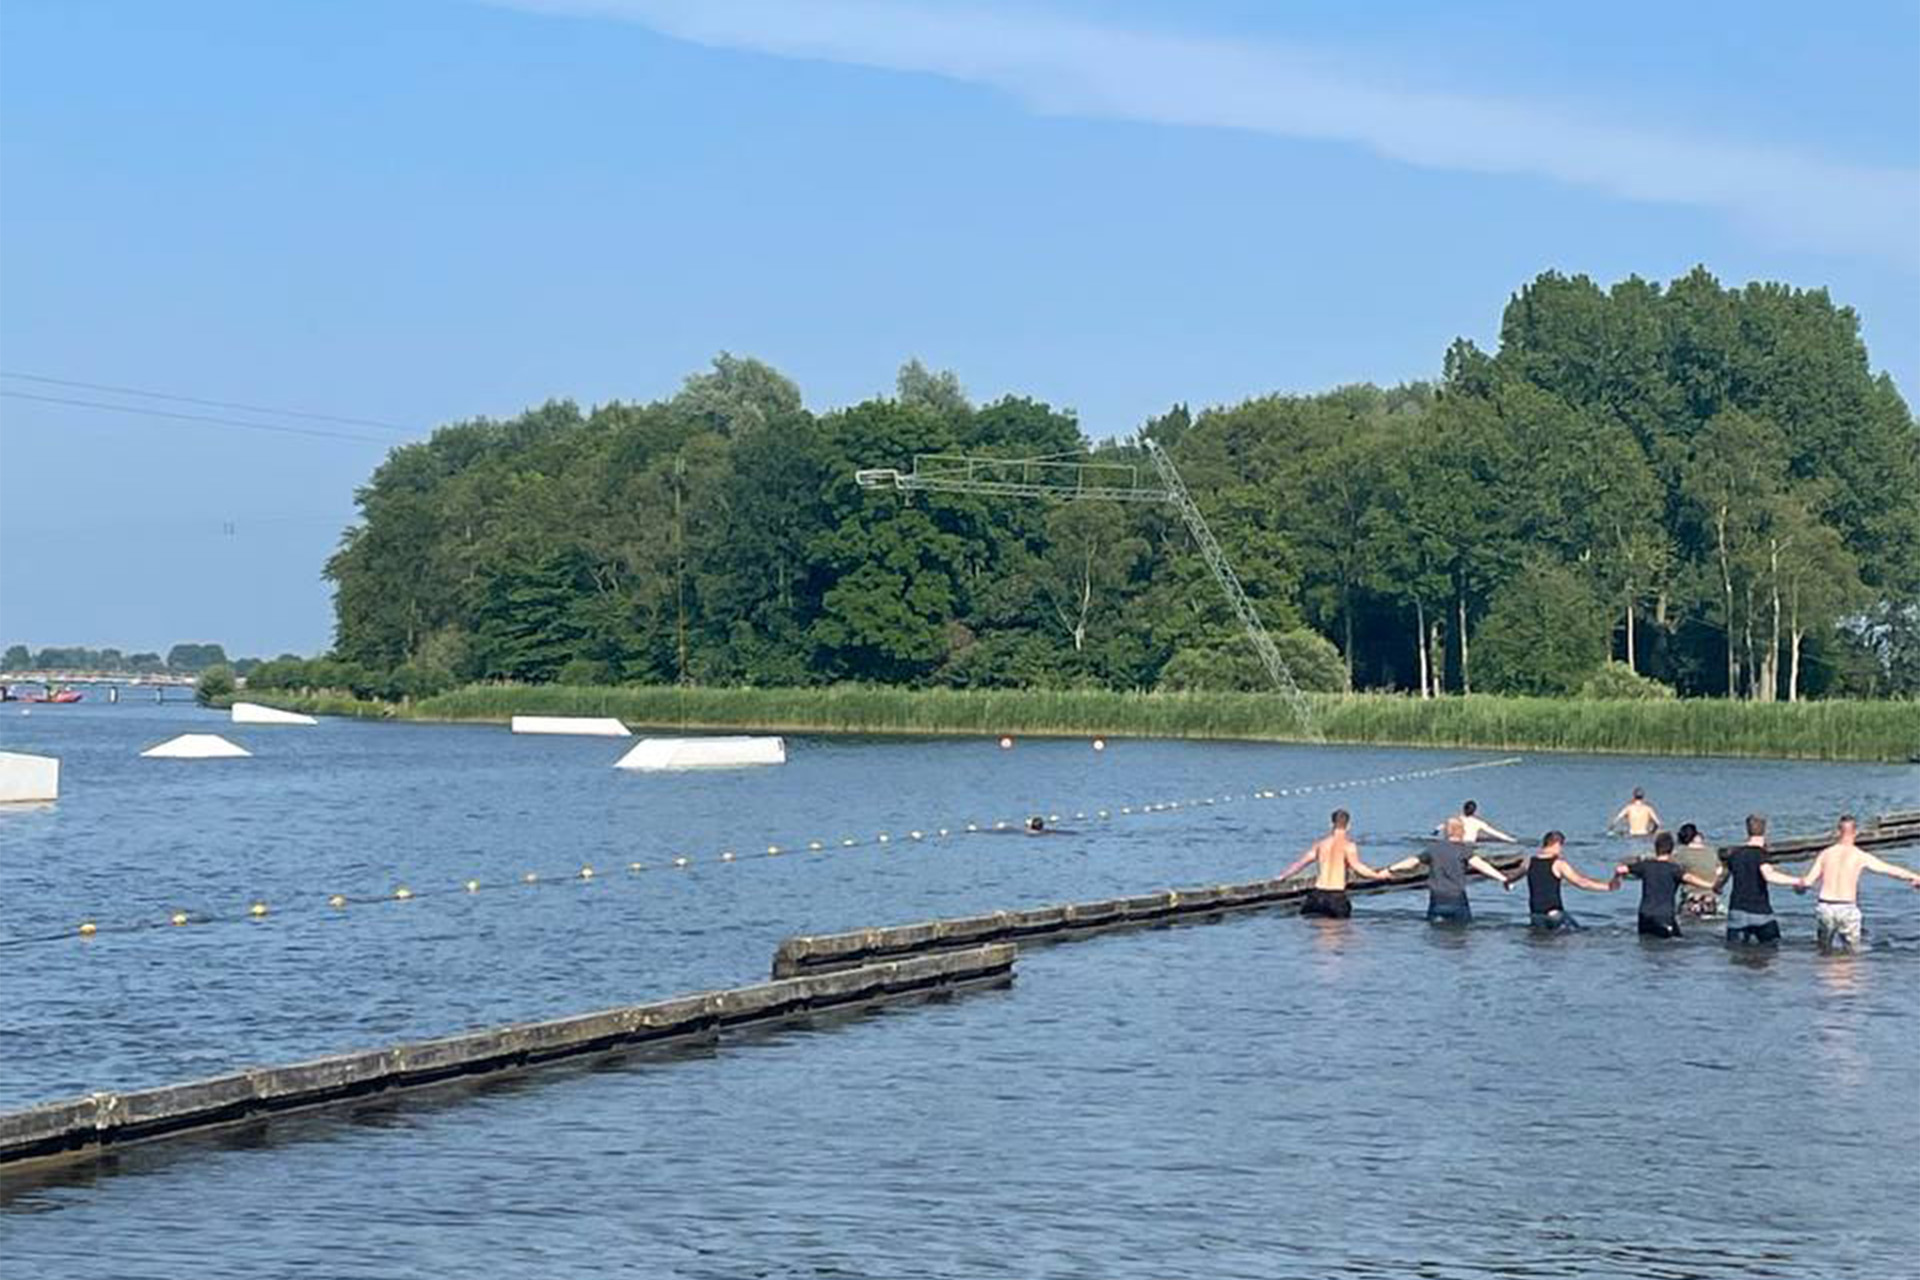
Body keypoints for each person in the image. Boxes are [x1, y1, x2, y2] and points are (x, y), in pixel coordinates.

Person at [1791, 814, 1920, 952]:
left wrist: (1798, 887)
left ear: (1837, 832)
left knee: (1823, 949)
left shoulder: (1825, 854)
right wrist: (1913, 876)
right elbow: (1888, 869)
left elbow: (1808, 882)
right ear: (1855, 833)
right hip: (1847, 907)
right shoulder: (1859, 855)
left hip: (1825, 906)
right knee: (1852, 952)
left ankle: (1826, 972)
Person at [1387, 816, 1511, 923]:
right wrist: (1504, 879)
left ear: (1446, 832)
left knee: (1436, 934)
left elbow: (1412, 862)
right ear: (1462, 832)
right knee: (1461, 933)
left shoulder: (1433, 849)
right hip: (1457, 899)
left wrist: (1391, 869)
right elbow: (1482, 866)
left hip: (1437, 899)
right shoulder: (1464, 850)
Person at [1279, 809, 1391, 919]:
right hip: (1336, 897)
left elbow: (1300, 864)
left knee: (1315, 932)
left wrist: (1282, 876)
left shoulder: (1320, 844)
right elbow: (1357, 867)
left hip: (1316, 896)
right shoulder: (1348, 846)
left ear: (1331, 824)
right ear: (1348, 826)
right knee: (1340, 933)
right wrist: (1378, 876)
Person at [1616, 832, 1718, 938]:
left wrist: (1615, 880)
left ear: (1656, 848)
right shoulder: (1673, 869)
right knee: (1675, 943)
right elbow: (1689, 878)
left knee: (1647, 944)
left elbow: (1621, 869)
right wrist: (1711, 886)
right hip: (1664, 915)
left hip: (1644, 915)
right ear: (1672, 850)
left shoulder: (1645, 866)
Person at [1512, 831, 1619, 930]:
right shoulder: (1558, 864)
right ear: (1557, 844)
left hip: (1536, 914)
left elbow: (1515, 875)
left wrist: (1507, 882)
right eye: (1561, 846)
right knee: (1577, 932)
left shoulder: (1530, 862)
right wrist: (1608, 886)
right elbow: (1581, 882)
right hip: (1554, 913)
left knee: (1539, 938)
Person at [1720, 814, 1798, 946]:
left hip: (1737, 911)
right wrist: (1796, 881)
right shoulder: (1761, 854)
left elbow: (1722, 879)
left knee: (1736, 952)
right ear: (1765, 830)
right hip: (1760, 912)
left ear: (1747, 829)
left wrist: (1716, 887)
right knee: (1772, 948)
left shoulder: (1734, 854)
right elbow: (1769, 875)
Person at [1673, 823, 1722, 919]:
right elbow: (1719, 871)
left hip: (1692, 899)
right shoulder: (1711, 851)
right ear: (1696, 836)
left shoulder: (1681, 853)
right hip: (1711, 899)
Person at [1437, 799, 1514, 845]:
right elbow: (1494, 832)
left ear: (1463, 809)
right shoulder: (1478, 823)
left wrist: (1435, 832)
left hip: (1455, 844)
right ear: (1474, 811)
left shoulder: (1455, 820)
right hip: (1469, 845)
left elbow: (1440, 827)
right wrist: (1509, 839)